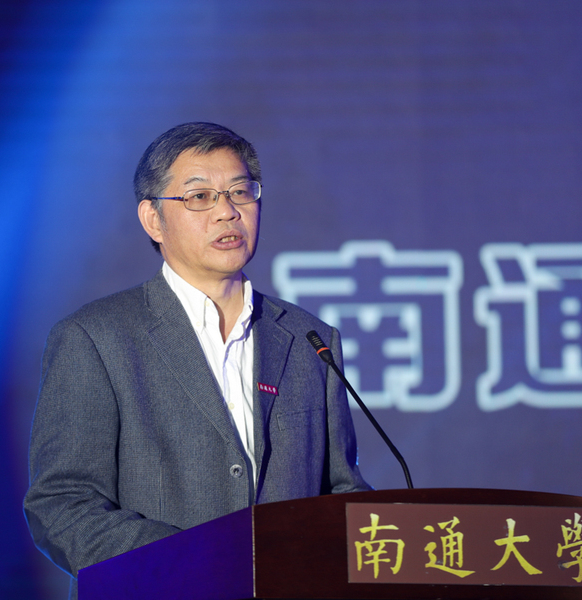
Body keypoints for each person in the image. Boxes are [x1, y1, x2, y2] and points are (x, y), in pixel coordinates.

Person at [23, 122, 371, 598]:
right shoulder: (95, 338)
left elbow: (341, 494)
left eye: (240, 192)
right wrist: (196, 560)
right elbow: (62, 505)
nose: (227, 212)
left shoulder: (309, 338)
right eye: (200, 197)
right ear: (153, 219)